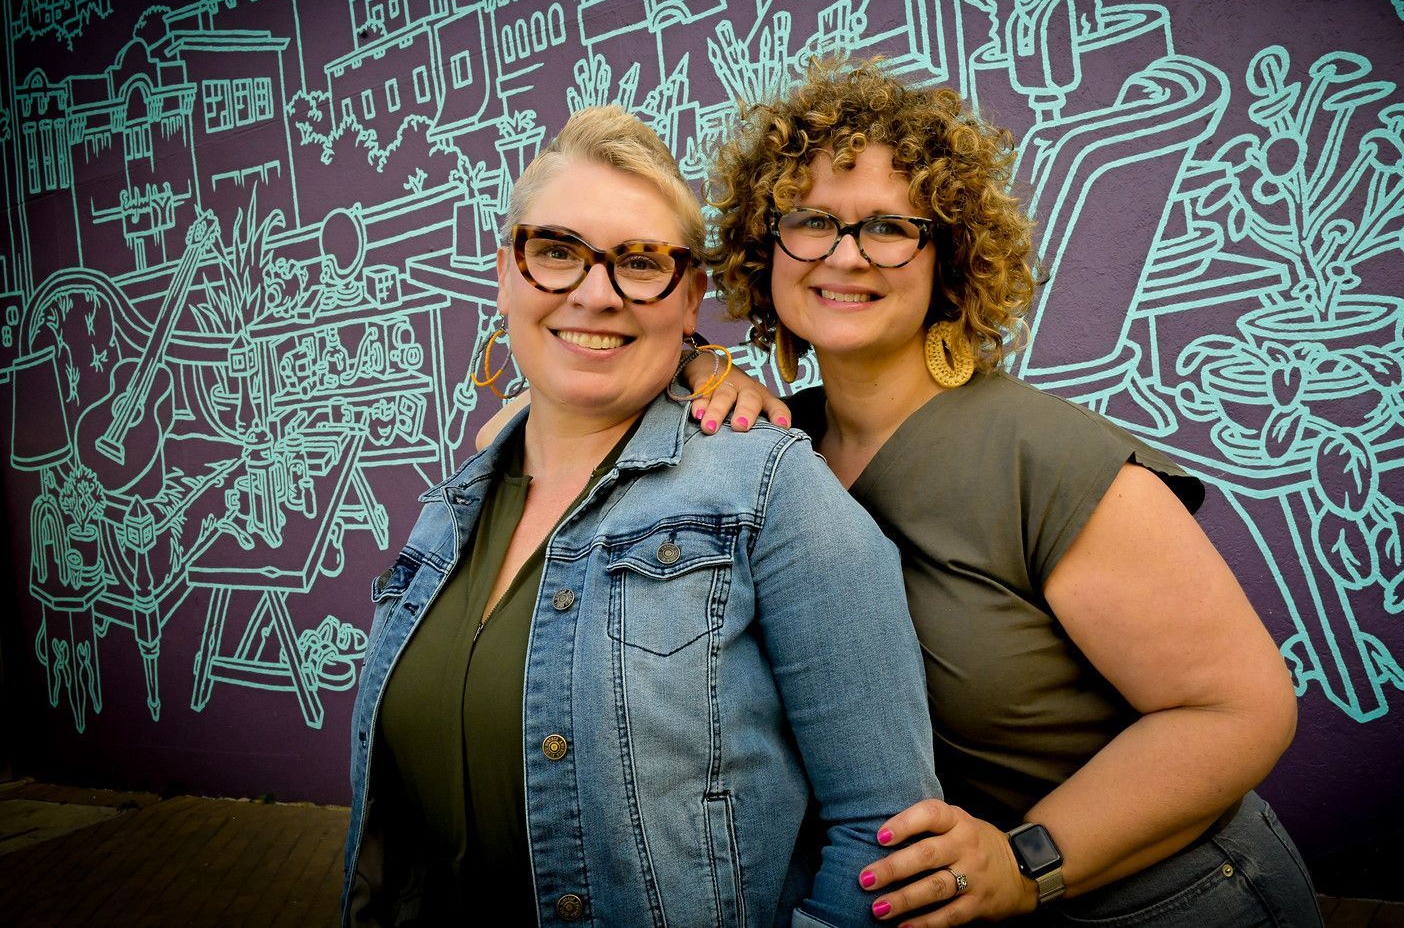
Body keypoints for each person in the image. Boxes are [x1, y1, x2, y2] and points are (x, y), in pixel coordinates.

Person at [699, 61, 1322, 927]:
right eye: (812, 221)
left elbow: (1240, 709)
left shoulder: (1042, 453)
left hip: (1167, 898)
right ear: (765, 246)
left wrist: (1028, 862)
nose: (845, 254)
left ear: (947, 254)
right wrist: (692, 366)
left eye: (888, 226)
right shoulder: (775, 446)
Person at [343, 104, 941, 927]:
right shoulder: (450, 512)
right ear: (506, 271)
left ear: (689, 294)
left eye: (640, 262)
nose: (596, 293)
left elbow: (888, 838)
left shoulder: (768, 489)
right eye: (557, 251)